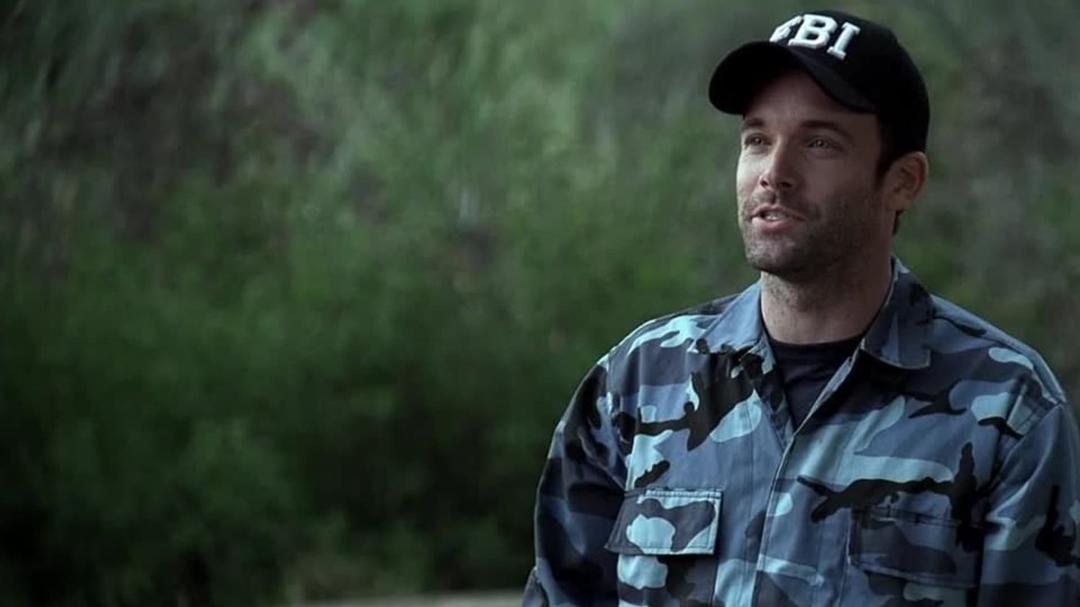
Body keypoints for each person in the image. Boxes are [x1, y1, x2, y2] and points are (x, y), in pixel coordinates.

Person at [522, 9, 1080, 606]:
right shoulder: (639, 381)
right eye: (757, 140)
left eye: (819, 143)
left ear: (903, 181)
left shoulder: (1006, 407)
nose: (775, 173)